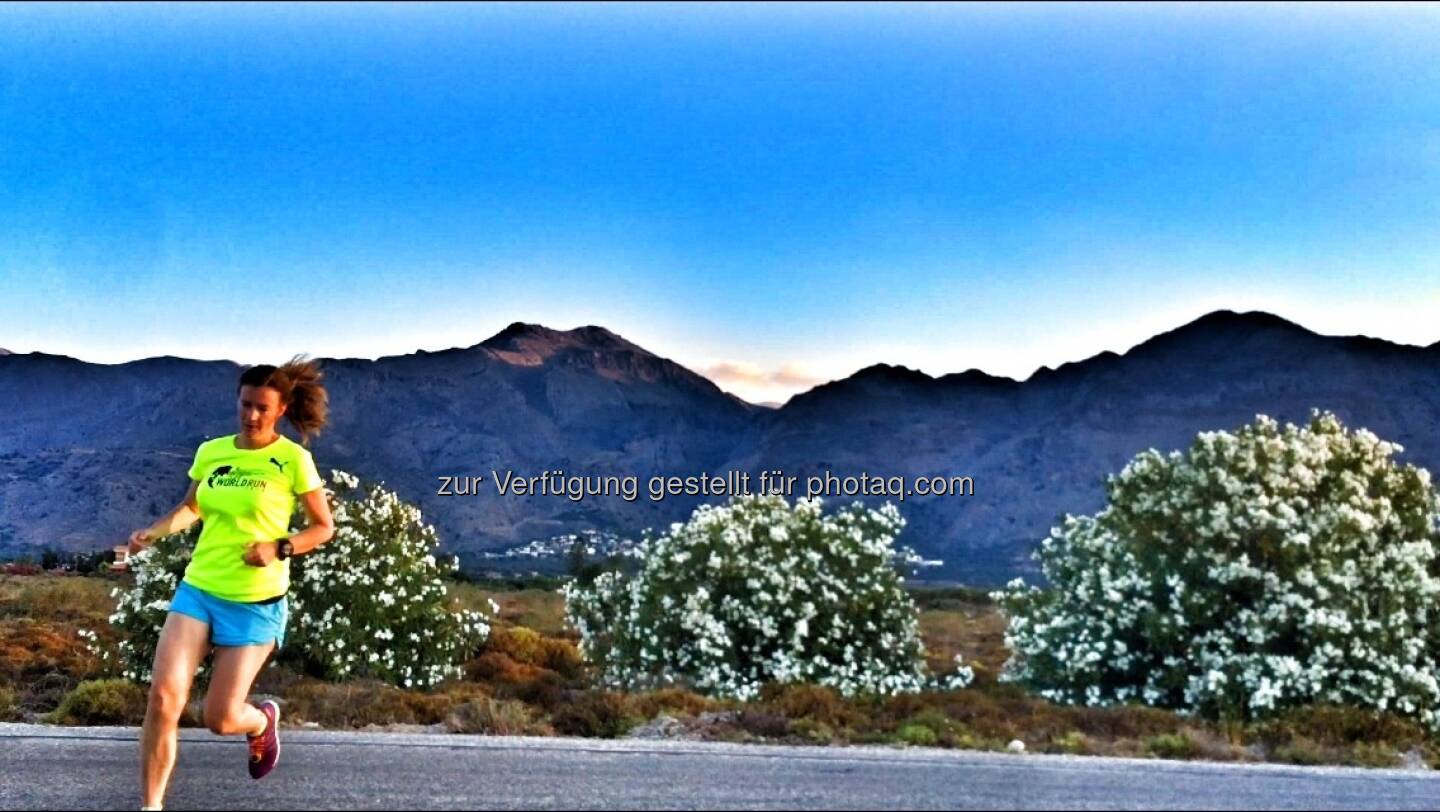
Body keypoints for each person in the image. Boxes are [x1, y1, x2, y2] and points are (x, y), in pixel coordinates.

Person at [127, 355, 336, 812]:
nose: (252, 415)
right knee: (163, 699)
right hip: (200, 588)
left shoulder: (293, 459)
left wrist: (279, 547)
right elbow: (193, 507)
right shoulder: (213, 452)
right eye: (245, 405)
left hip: (255, 601)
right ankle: (151, 806)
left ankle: (260, 722)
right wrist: (155, 531)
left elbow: (323, 528)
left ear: (280, 409)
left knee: (219, 718)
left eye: (262, 407)